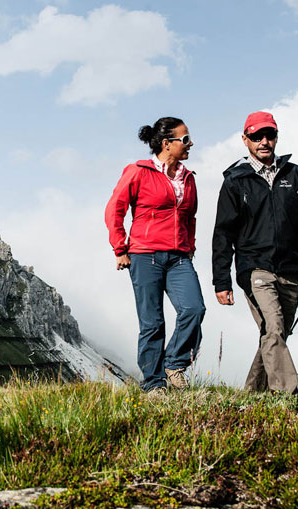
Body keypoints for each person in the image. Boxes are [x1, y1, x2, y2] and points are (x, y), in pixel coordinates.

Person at [212, 111, 298, 394]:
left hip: (290, 269)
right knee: (274, 328)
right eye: (257, 136)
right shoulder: (235, 181)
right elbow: (223, 233)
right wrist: (222, 281)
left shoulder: (297, 175)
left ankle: (253, 395)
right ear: (245, 140)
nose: (264, 141)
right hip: (254, 268)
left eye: (270, 135)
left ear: (277, 137)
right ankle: (287, 397)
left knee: (273, 333)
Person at [104, 117, 206, 394]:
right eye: (184, 139)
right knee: (152, 322)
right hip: (144, 255)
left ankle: (174, 364)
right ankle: (154, 383)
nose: (190, 143)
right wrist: (120, 248)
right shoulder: (138, 171)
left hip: (180, 257)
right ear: (166, 144)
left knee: (194, 309)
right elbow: (115, 208)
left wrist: (191, 246)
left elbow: (190, 217)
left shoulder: (188, 177)